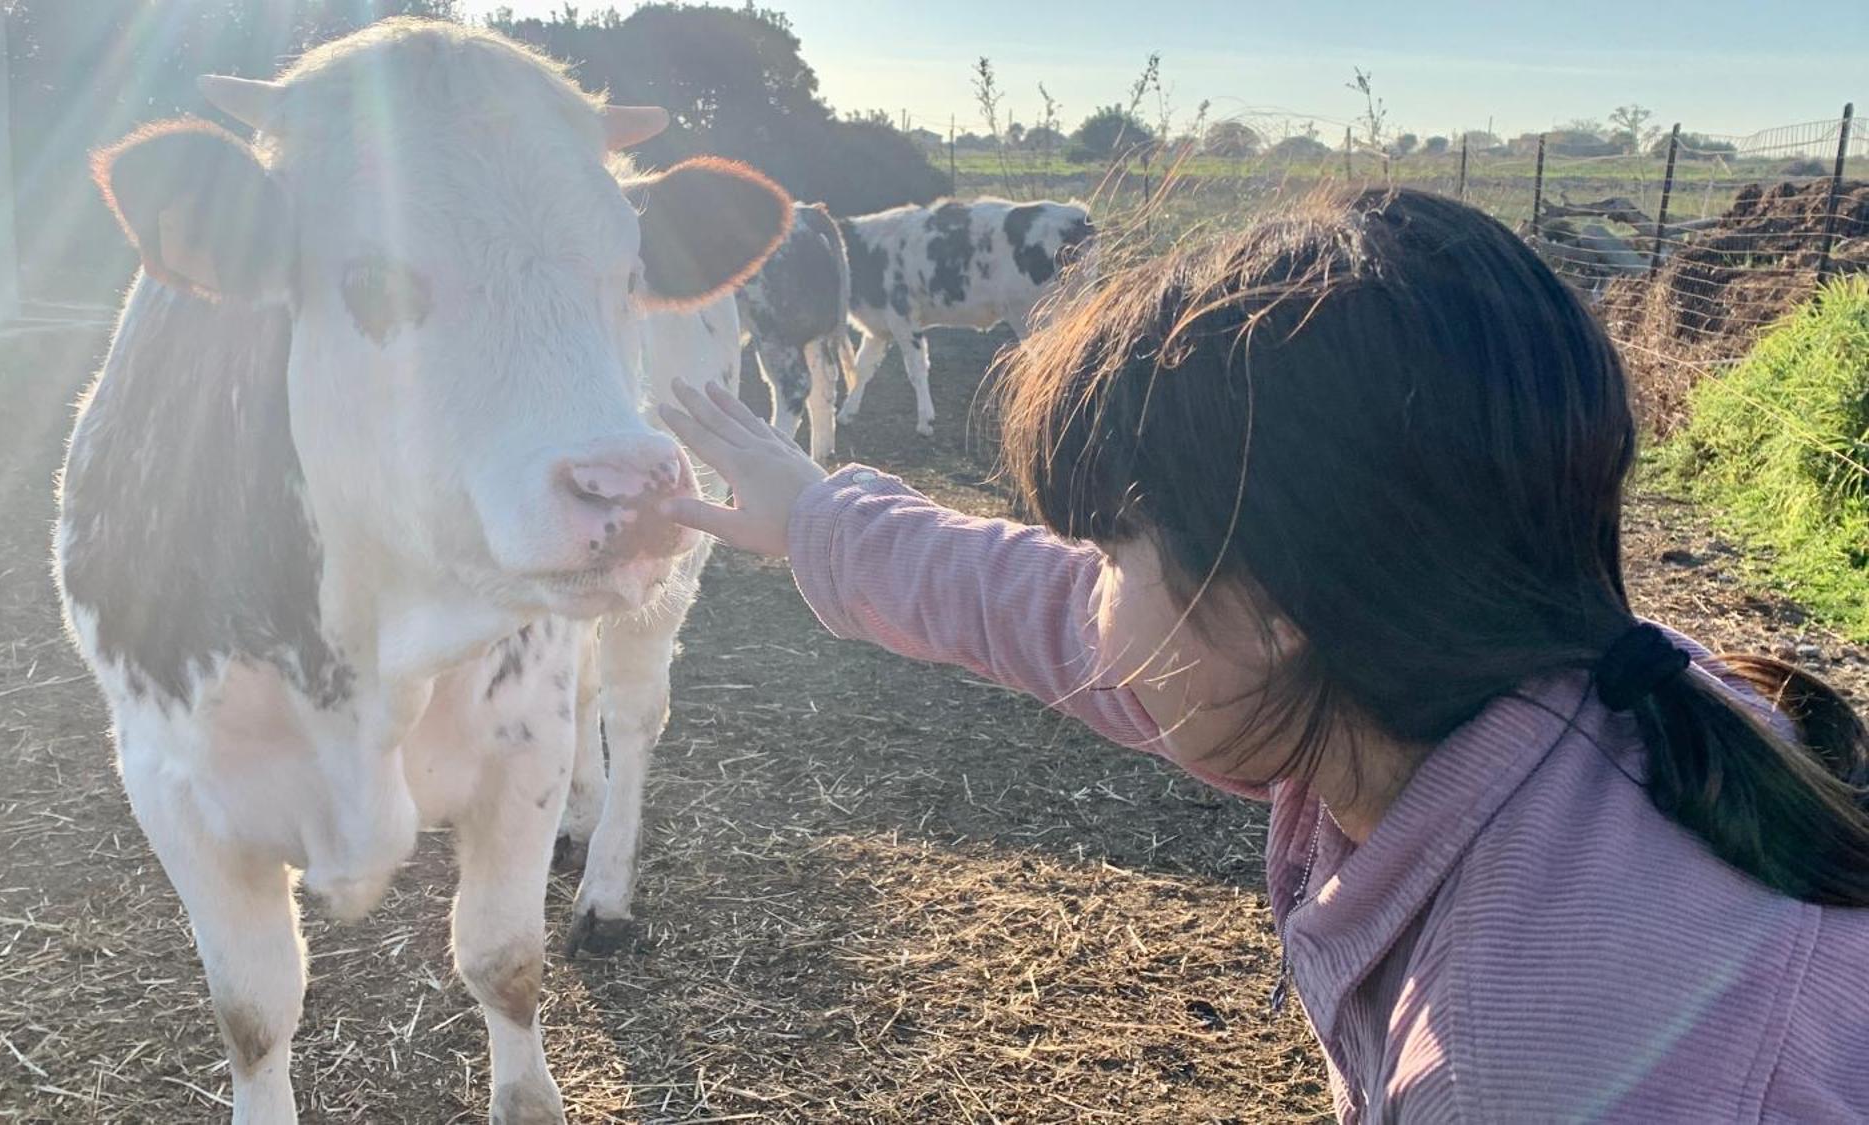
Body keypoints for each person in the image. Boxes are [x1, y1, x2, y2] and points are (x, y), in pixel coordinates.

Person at [655, 187, 1869, 1122]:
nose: (1094, 593)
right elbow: (1040, 605)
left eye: (1114, 551)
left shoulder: (1530, 1075)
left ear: (1280, 598)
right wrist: (818, 520)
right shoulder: (1539, 695)